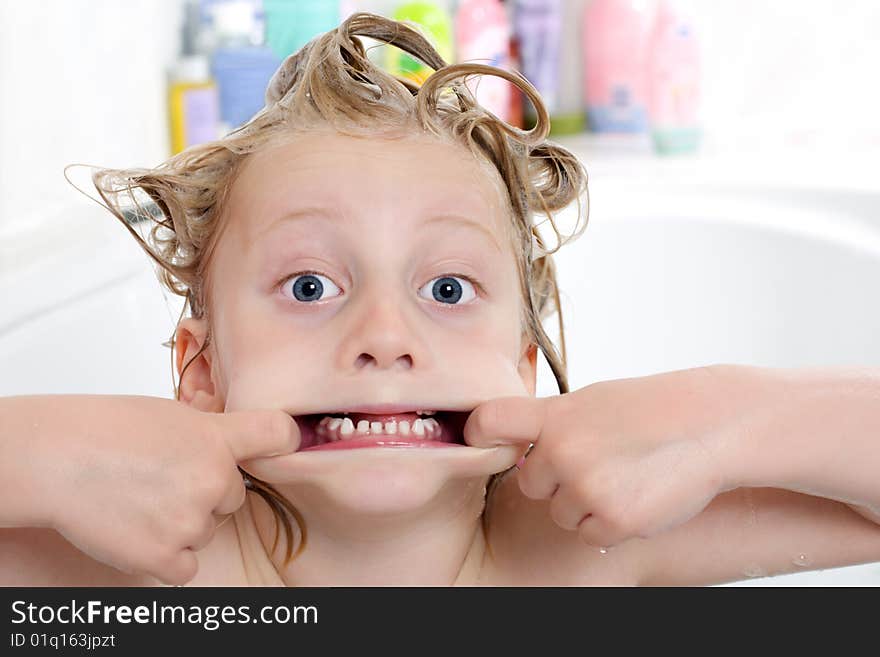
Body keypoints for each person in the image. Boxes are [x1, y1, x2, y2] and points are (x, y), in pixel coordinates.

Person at [1, 12, 878, 587]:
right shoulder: (144, 572)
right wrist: (32, 451)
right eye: (310, 286)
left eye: (448, 288)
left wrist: (727, 418)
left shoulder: (579, 548)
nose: (385, 337)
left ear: (523, 366)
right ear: (200, 370)